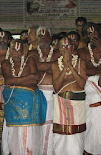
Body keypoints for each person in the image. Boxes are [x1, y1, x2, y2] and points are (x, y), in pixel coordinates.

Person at [1, 40, 47, 155]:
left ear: (23, 51)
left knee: (30, 137)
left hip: (30, 104)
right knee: (15, 136)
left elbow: (35, 79)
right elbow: (8, 80)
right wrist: (28, 77)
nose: (16, 53)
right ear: (9, 50)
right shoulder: (6, 63)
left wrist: (15, 81)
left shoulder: (29, 60)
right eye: (14, 50)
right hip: (13, 107)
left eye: (19, 50)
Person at [78, 23, 101, 155]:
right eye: (90, 33)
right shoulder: (81, 52)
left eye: (95, 33)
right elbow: (83, 70)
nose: (93, 36)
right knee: (90, 121)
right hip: (89, 90)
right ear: (86, 36)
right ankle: (88, 149)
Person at [28, 27, 61, 155]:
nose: (43, 38)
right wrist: (54, 65)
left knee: (53, 126)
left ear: (50, 38)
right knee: (39, 126)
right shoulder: (32, 53)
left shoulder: (58, 52)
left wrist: (42, 67)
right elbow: (34, 67)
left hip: (56, 95)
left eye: (46, 36)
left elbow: (61, 65)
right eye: (40, 36)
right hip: (38, 95)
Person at [52, 37, 87, 154]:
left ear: (72, 48)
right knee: (62, 138)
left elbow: (82, 83)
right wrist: (65, 67)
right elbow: (56, 87)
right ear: (59, 49)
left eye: (68, 46)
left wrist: (71, 67)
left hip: (77, 105)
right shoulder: (55, 65)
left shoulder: (81, 62)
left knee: (76, 137)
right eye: (63, 46)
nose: (66, 49)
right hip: (61, 105)